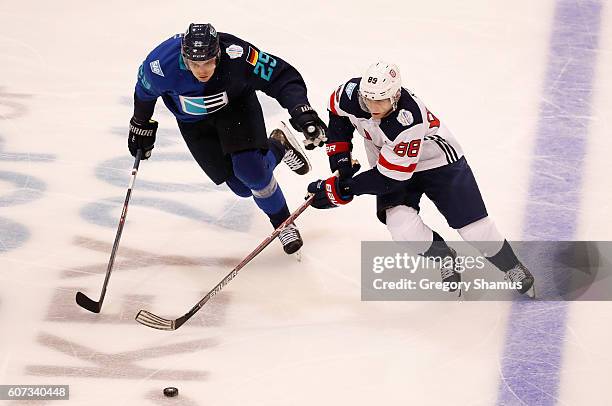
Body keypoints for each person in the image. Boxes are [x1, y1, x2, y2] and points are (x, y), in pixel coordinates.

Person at [307, 61, 535, 296]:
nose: (373, 106)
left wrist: (345, 188)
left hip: (437, 163)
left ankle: (512, 266)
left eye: (381, 100)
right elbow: (337, 116)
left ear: (395, 96)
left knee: (475, 230)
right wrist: (341, 163)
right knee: (402, 229)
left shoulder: (407, 120)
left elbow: (389, 179)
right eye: (368, 99)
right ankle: (445, 257)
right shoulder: (350, 95)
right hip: (390, 163)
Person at [128, 23, 327, 254]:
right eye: (195, 64)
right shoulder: (160, 65)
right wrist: (140, 124)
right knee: (242, 188)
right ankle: (279, 145)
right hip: (194, 124)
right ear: (184, 56)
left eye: (209, 62)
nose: (202, 70)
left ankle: (283, 223)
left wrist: (302, 111)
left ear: (218, 53)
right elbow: (144, 93)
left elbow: (280, 76)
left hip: (236, 109)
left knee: (252, 173)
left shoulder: (238, 54)